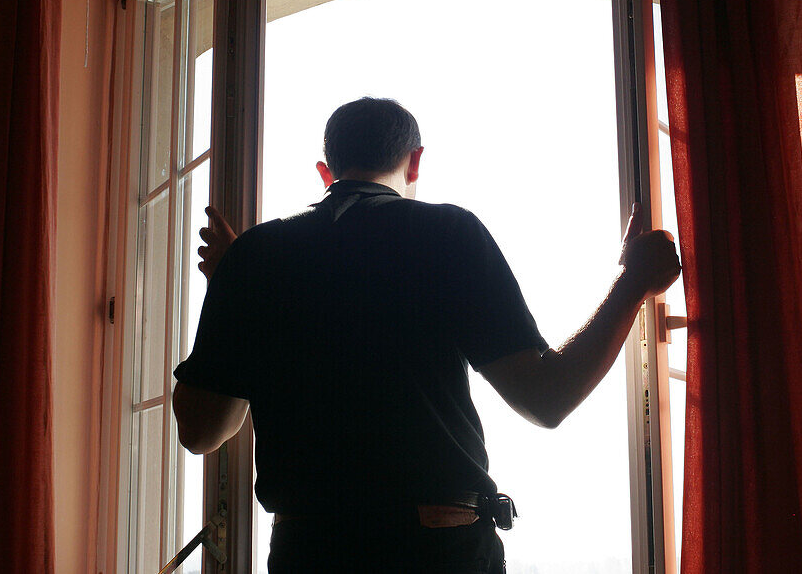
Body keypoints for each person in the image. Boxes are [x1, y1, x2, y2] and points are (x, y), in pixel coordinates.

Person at [172, 97, 681, 573]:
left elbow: (201, 432)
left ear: (325, 172)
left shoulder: (256, 255)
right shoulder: (448, 233)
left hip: (309, 551)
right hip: (439, 550)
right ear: (414, 163)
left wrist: (236, 291)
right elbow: (548, 398)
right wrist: (632, 281)